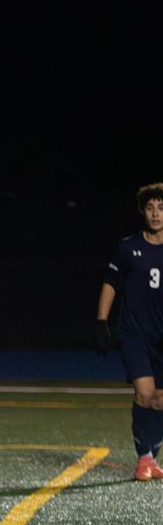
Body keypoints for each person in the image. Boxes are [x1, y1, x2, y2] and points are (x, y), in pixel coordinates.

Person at [95, 182, 163, 481]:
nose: (156, 213)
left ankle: (151, 457)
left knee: (158, 400)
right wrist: (101, 322)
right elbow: (110, 283)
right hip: (134, 333)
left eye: (161, 208)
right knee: (144, 393)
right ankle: (144, 459)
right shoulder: (128, 247)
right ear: (142, 211)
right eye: (150, 208)